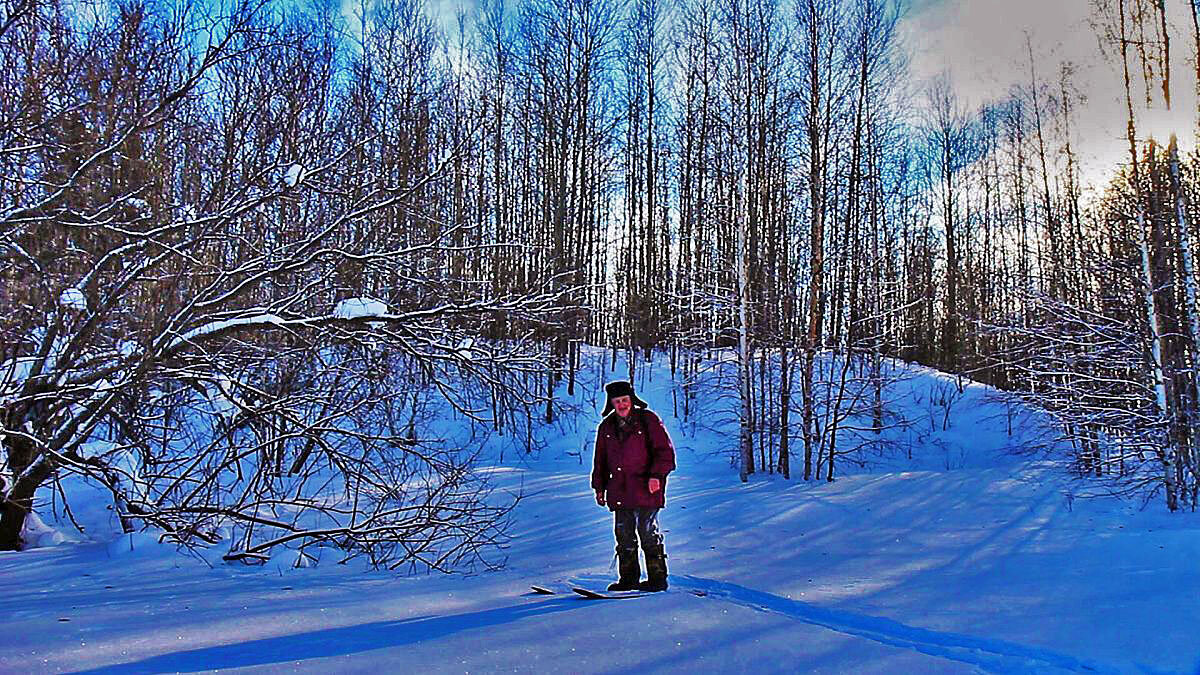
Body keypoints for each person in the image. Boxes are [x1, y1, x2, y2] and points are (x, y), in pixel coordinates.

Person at [591, 380, 676, 592]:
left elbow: (665, 453)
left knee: (648, 532)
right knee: (623, 536)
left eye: (625, 400)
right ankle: (628, 580)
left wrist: (656, 475)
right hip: (619, 489)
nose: (622, 405)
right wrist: (599, 487)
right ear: (611, 403)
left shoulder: (649, 420)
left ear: (632, 400)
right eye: (617, 401)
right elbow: (600, 461)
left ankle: (657, 579)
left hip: (647, 487)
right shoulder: (606, 427)